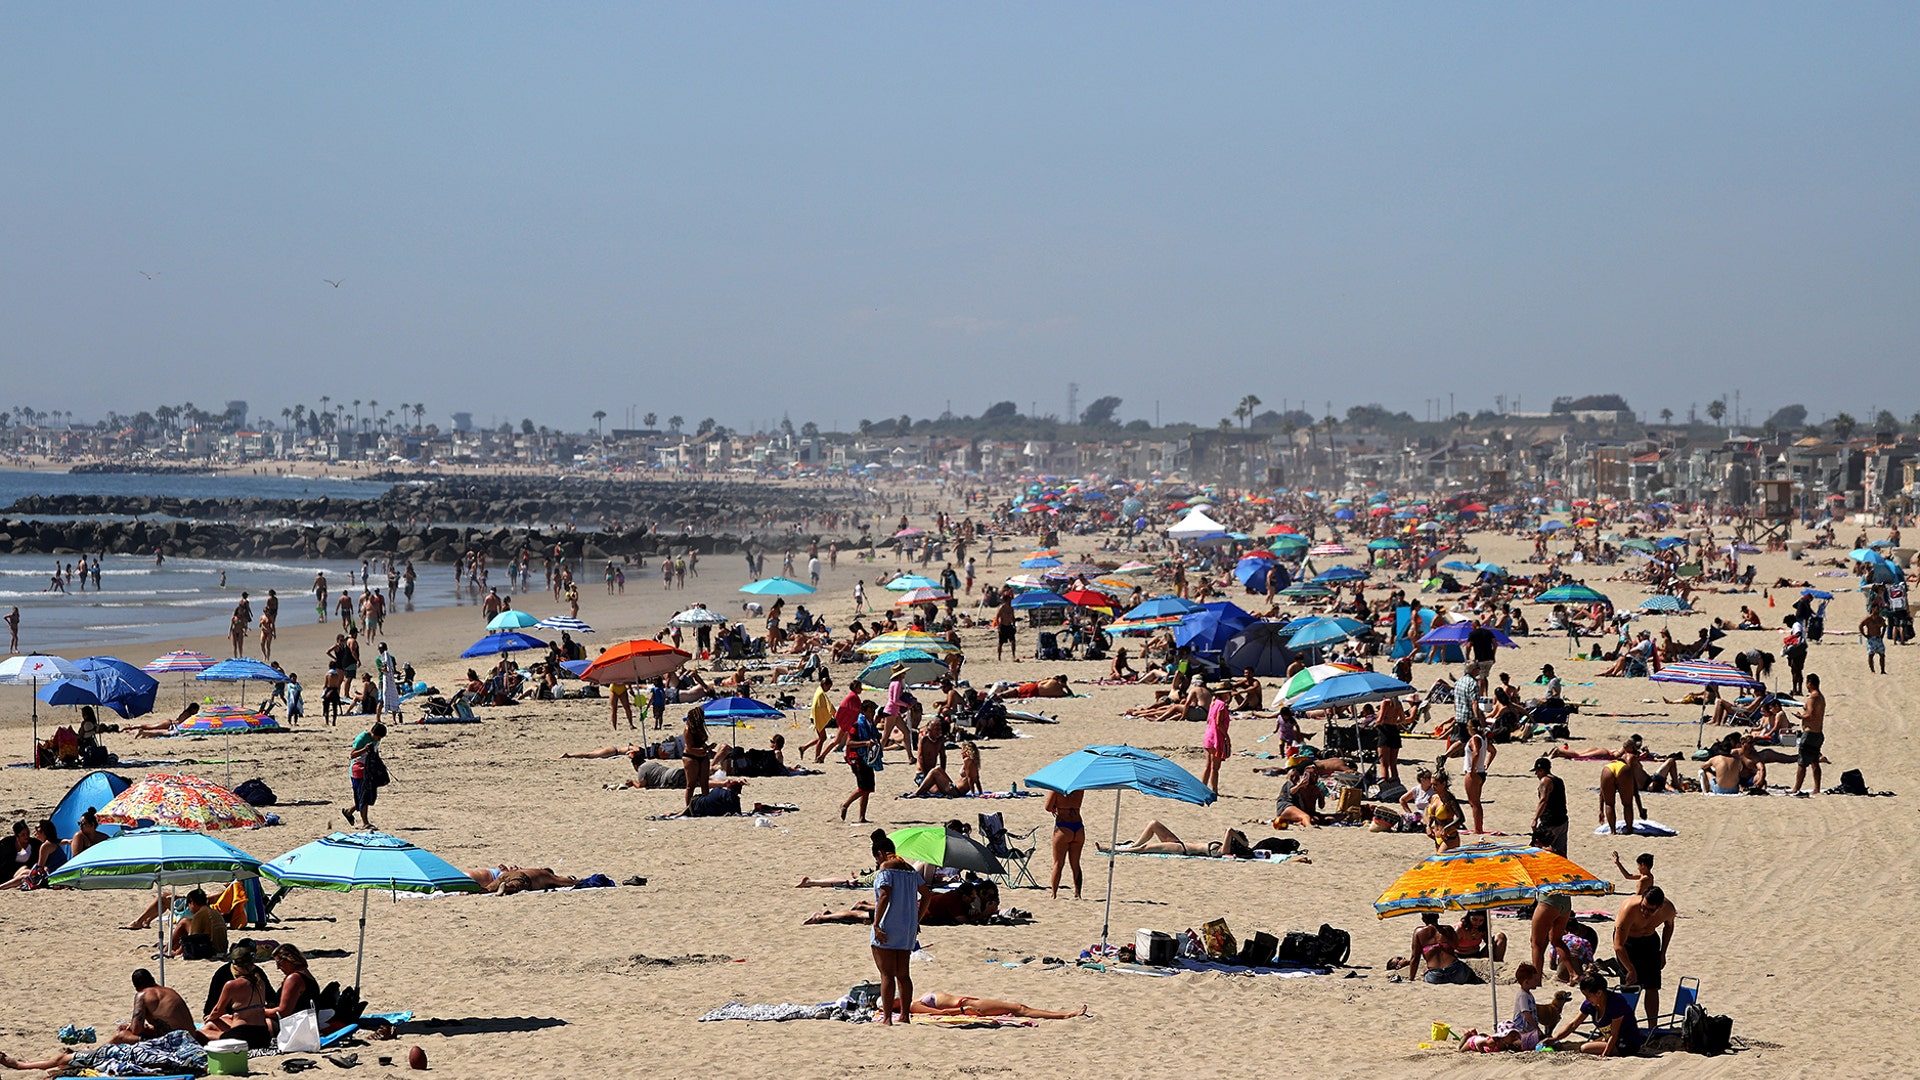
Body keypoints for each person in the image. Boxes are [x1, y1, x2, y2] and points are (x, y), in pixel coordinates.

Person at [868, 831, 927, 1027]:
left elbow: (885, 895)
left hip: (887, 925)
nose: (877, 862)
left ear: (882, 853)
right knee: (903, 973)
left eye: (876, 858)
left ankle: (886, 1018)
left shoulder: (886, 868)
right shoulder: (910, 869)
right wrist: (916, 919)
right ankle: (904, 1015)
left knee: (886, 974)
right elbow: (927, 895)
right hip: (906, 927)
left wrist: (876, 924)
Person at [1615, 885, 1677, 1028]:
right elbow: (1618, 945)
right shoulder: (1629, 909)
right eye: (1643, 907)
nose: (1645, 912)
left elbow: (1669, 926)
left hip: (1650, 942)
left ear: (1660, 907)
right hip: (1627, 944)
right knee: (1630, 986)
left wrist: (1663, 953)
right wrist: (1630, 969)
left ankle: (1652, 1027)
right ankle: (1626, 1026)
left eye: (1650, 910)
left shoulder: (1668, 910)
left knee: (1652, 986)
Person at [1550, 972, 1644, 1057]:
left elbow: (1614, 1034)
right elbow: (1573, 1024)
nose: (1586, 999)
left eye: (1588, 996)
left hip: (1627, 1042)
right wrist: (1555, 1038)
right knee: (1587, 1046)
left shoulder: (1616, 1003)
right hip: (1608, 1038)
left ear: (1599, 993)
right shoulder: (1589, 1005)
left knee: (1585, 1048)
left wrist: (1605, 1053)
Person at [1458, 963, 1546, 1052]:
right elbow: (1526, 1014)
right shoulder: (1522, 996)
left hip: (1528, 1028)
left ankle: (1474, 1035)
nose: (1537, 982)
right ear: (1526, 982)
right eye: (1535, 980)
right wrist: (1536, 1027)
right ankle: (1468, 1035)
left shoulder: (1529, 994)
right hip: (1521, 1029)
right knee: (1519, 1044)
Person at [201, 947, 274, 1048]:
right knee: (213, 1023)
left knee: (200, 1033)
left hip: (241, 1037)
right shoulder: (260, 982)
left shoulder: (232, 985)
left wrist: (208, 1018)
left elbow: (218, 1010)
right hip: (263, 1036)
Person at [113, 969, 194, 1045]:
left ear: (137, 988)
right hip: (192, 1038)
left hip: (176, 1042)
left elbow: (137, 1030)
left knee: (121, 1036)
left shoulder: (142, 995)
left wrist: (129, 1027)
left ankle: (100, 1053)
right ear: (153, 979)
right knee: (149, 1031)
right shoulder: (169, 991)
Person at [839, 700, 880, 824]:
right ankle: (845, 805)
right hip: (856, 758)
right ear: (864, 711)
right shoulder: (857, 725)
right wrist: (866, 743)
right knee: (863, 788)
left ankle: (862, 817)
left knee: (868, 788)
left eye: (873, 710)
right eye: (870, 711)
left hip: (868, 758)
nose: (872, 713)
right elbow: (849, 743)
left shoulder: (871, 725)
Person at [908, 993, 1086, 1020]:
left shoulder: (912, 999)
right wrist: (963, 1011)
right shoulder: (914, 1006)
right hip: (969, 1005)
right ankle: (1063, 1015)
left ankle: (1062, 1015)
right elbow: (941, 1012)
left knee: (1019, 1007)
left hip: (969, 1001)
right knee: (1019, 1008)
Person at [345, 721, 387, 829]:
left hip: (368, 769)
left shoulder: (376, 740)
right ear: (373, 732)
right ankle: (365, 823)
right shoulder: (362, 738)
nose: (379, 740)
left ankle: (349, 811)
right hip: (357, 769)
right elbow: (352, 755)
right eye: (378, 737)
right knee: (363, 795)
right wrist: (364, 749)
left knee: (367, 795)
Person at [263, 944, 317, 1027]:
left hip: (293, 1026)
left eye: (279, 963)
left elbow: (283, 1012)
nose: (278, 967)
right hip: (306, 1022)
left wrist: (261, 1011)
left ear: (289, 959)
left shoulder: (294, 978)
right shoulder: (306, 974)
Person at [1045, 787, 1085, 900]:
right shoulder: (1080, 789)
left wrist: (1055, 809)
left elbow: (1047, 807)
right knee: (1076, 864)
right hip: (1078, 826)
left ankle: (1054, 894)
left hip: (1063, 827)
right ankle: (1078, 893)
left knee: (1058, 863)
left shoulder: (1057, 789)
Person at [1791, 673, 1825, 797]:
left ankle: (1796, 788)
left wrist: (1800, 716)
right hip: (1818, 733)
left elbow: (1810, 715)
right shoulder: (1821, 697)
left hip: (1809, 733)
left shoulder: (1812, 698)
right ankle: (1817, 788)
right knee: (1815, 761)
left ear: (1809, 683)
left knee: (1802, 763)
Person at [169, 888, 228, 958]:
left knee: (184, 922)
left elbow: (193, 938)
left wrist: (177, 952)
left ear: (192, 902)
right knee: (187, 923)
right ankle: (169, 947)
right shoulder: (215, 912)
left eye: (188, 905)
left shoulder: (200, 914)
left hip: (211, 950)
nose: (189, 908)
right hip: (222, 949)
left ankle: (167, 949)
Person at [1598, 739, 1640, 835]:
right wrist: (1640, 808)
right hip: (1623, 770)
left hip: (1608, 769)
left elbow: (1601, 793)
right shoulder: (1628, 764)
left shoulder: (1612, 763)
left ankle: (1613, 831)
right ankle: (1629, 829)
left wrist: (1601, 810)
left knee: (1609, 804)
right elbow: (1635, 791)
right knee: (1627, 804)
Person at [1531, 757, 1569, 855]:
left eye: (1537, 771)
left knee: (1537, 850)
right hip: (1562, 821)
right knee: (1560, 853)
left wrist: (1535, 819)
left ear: (1542, 770)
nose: (1536, 774)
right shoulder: (1559, 780)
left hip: (1550, 823)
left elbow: (1543, 800)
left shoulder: (1545, 781)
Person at [1462, 721, 1494, 833]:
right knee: (1477, 802)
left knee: (1473, 802)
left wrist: (1472, 769)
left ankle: (1478, 828)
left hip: (1474, 772)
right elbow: (1493, 751)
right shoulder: (1483, 738)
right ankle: (1478, 827)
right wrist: (1486, 764)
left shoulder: (1475, 739)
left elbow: (1476, 753)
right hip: (1481, 772)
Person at [1200, 683, 1230, 795]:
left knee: (1208, 765)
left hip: (1209, 735)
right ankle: (1214, 790)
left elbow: (1209, 720)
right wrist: (1227, 737)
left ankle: (1203, 787)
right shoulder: (1221, 705)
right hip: (1217, 737)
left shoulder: (1213, 704)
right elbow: (1219, 722)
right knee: (1215, 767)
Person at [681, 707, 713, 813]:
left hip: (703, 756)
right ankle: (688, 807)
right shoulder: (688, 730)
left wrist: (707, 748)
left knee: (705, 783)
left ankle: (706, 805)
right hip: (690, 757)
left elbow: (702, 743)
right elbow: (690, 748)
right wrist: (704, 749)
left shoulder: (700, 727)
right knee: (691, 785)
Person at [1425, 771, 1463, 851]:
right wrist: (1428, 826)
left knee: (1439, 861)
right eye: (1431, 784)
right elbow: (1431, 815)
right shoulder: (1434, 798)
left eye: (1435, 785)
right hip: (1437, 837)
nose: (1432, 787)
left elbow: (1461, 818)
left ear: (1443, 784)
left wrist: (1446, 828)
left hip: (1449, 837)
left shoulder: (1450, 800)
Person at [800, 675, 834, 763]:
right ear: (825, 685)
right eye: (829, 687)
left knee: (822, 737)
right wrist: (834, 714)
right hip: (816, 717)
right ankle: (817, 758)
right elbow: (828, 705)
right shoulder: (821, 694)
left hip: (814, 716)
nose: (829, 689)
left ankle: (804, 748)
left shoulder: (819, 690)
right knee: (822, 738)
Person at [993, 593, 1017, 661]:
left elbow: (1013, 617)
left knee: (1013, 641)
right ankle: (999, 657)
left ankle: (1013, 655)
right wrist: (998, 627)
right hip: (1003, 626)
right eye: (1009, 600)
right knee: (1001, 643)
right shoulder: (1002, 608)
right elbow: (997, 617)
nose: (1010, 602)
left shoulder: (1011, 608)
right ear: (1006, 601)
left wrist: (1014, 625)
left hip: (1009, 626)